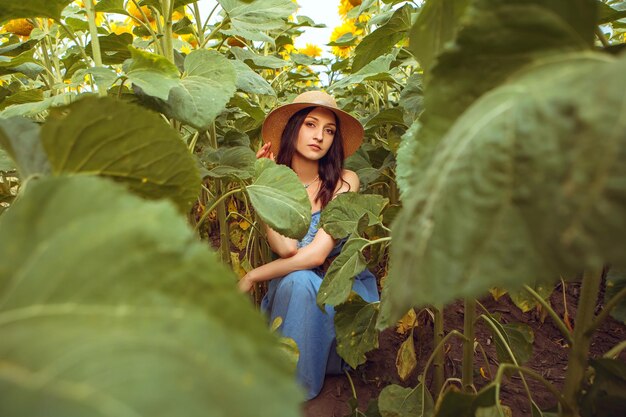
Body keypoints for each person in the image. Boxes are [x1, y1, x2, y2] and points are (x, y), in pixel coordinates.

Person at [237, 90, 379, 400]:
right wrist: (268, 183)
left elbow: (317, 254)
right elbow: (287, 249)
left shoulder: (345, 181)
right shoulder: (277, 183)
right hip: (292, 291)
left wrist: (251, 276)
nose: (320, 136)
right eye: (311, 125)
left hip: (338, 291)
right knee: (297, 281)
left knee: (301, 279)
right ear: (293, 129)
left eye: (329, 131)